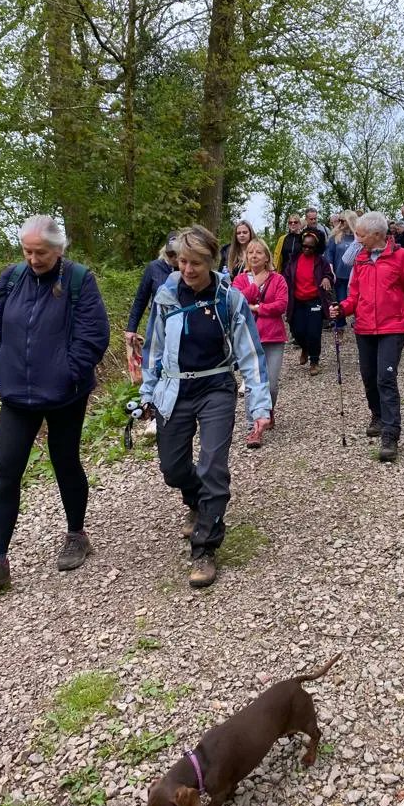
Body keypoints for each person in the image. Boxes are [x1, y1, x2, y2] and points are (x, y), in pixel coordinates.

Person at [0, 215, 110, 594]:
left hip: (64, 395)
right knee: (7, 471)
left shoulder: (78, 280)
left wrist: (68, 374)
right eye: (27, 251)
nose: (33, 259)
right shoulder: (10, 279)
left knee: (65, 461)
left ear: (58, 250)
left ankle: (76, 534)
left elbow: (94, 336)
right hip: (16, 395)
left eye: (40, 252)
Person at [140, 225, 271, 589]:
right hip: (175, 388)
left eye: (196, 262)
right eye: (182, 261)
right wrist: (147, 393)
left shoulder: (229, 298)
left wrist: (259, 407)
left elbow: (250, 353)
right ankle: (196, 500)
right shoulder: (166, 297)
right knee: (172, 468)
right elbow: (153, 348)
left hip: (216, 386)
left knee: (214, 466)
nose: (188, 269)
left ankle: (205, 546)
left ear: (211, 261)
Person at [330, 212, 404, 463]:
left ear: (377, 235)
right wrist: (342, 308)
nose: (357, 239)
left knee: (385, 378)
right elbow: (354, 296)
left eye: (361, 235)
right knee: (368, 376)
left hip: (392, 328)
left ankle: (390, 434)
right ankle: (377, 414)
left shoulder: (401, 257)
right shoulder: (360, 260)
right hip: (364, 328)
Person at [233, 239, 288, 447]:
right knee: (252, 385)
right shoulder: (239, 280)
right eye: (250, 252)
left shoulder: (278, 279)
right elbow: (236, 303)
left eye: (258, 252)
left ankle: (267, 410)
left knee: (271, 385)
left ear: (267, 257)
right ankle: (253, 427)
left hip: (273, 337)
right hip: (248, 338)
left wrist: (256, 308)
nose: (253, 255)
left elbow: (281, 305)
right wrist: (255, 286)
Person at [125, 234, 179, 381]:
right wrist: (131, 329)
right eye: (171, 253)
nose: (174, 257)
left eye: (178, 253)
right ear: (165, 252)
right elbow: (141, 298)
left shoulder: (187, 269)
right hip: (158, 322)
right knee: (155, 358)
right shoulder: (154, 268)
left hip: (181, 324)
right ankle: (153, 390)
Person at [283, 228, 333, 376]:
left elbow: (328, 274)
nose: (306, 249)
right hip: (297, 300)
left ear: (316, 247)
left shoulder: (321, 261)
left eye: (310, 247)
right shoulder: (294, 259)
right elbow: (285, 276)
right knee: (297, 330)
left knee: (314, 332)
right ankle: (304, 347)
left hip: (314, 300)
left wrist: (326, 279)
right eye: (304, 245)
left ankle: (314, 361)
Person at [325, 210, 358, 328]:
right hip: (339, 274)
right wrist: (331, 270)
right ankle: (340, 323)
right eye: (339, 220)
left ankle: (359, 320)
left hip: (356, 275)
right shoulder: (335, 236)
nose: (340, 223)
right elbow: (329, 254)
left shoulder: (359, 236)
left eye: (343, 220)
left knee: (358, 299)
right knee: (341, 299)